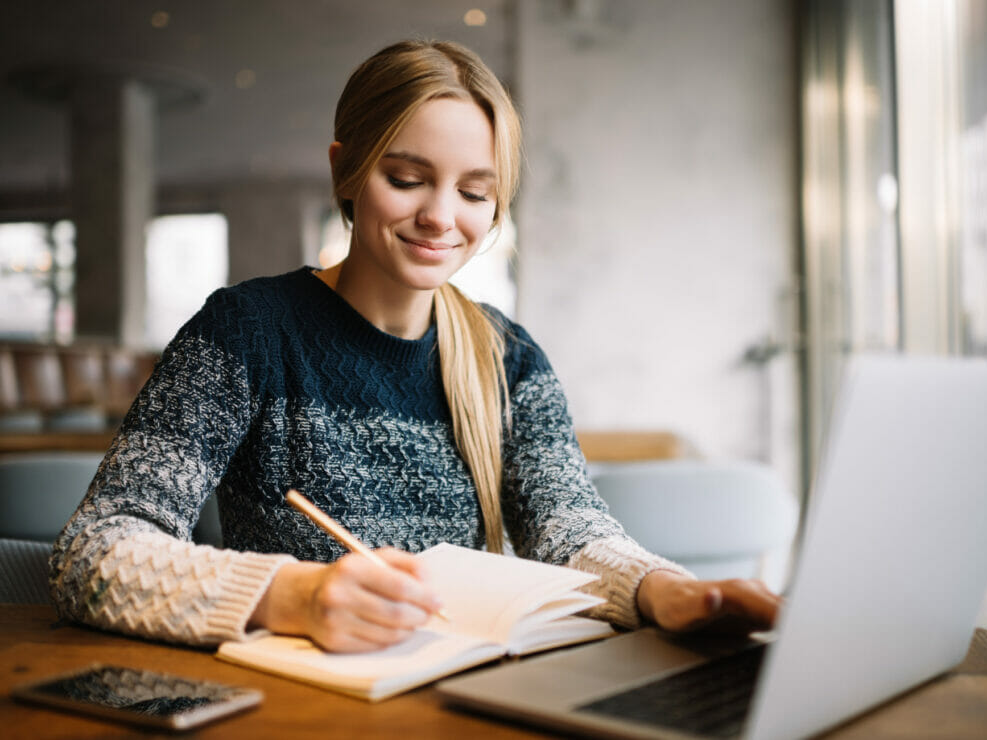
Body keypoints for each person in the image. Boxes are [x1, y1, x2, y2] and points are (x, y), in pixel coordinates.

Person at [50, 40, 780, 653]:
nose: (440, 217)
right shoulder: (247, 331)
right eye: (407, 179)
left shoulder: (508, 356)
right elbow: (95, 552)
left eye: (474, 191)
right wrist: (290, 595)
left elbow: (567, 526)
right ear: (346, 169)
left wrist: (665, 589)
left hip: (460, 697)